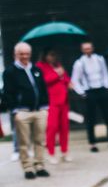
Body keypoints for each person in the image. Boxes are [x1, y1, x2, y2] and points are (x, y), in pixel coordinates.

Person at [2, 42, 50, 179]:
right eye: (21, 54)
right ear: (15, 55)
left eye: (27, 54)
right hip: (22, 112)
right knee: (24, 143)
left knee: (40, 140)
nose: (24, 56)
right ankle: (28, 168)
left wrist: (45, 107)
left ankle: (40, 165)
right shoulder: (10, 72)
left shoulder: (36, 69)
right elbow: (8, 93)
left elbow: (43, 89)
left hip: (39, 111)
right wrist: (15, 111)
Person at [71, 41, 108, 152]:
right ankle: (92, 143)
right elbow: (75, 80)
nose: (88, 50)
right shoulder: (79, 63)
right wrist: (82, 92)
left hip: (101, 89)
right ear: (82, 50)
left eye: (89, 48)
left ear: (92, 48)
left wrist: (106, 85)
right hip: (89, 91)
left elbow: (105, 73)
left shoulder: (100, 59)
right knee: (91, 118)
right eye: (85, 49)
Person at [36, 48, 72, 163]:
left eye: (54, 55)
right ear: (45, 55)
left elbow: (66, 78)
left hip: (64, 100)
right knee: (52, 127)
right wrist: (57, 74)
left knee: (64, 127)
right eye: (51, 55)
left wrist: (69, 82)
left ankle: (64, 152)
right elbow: (43, 81)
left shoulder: (58, 65)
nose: (53, 57)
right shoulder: (40, 66)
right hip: (51, 101)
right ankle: (50, 153)